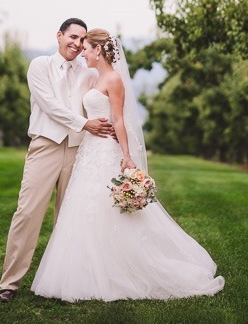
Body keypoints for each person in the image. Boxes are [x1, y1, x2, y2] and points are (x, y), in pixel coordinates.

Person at [31, 29, 225, 302]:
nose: (83, 53)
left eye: (86, 48)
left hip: (106, 150)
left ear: (98, 50)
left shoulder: (114, 79)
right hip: (89, 149)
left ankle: (119, 269)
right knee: (85, 207)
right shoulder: (95, 78)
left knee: (108, 208)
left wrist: (127, 155)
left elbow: (120, 120)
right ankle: (85, 270)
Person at [0, 18, 114, 302]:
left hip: (78, 149)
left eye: (82, 40)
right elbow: (50, 105)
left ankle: (69, 281)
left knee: (70, 216)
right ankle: (10, 283)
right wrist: (85, 124)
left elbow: (101, 98)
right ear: (59, 36)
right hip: (45, 145)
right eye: (72, 37)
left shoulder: (88, 73)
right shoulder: (40, 66)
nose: (76, 44)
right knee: (27, 212)